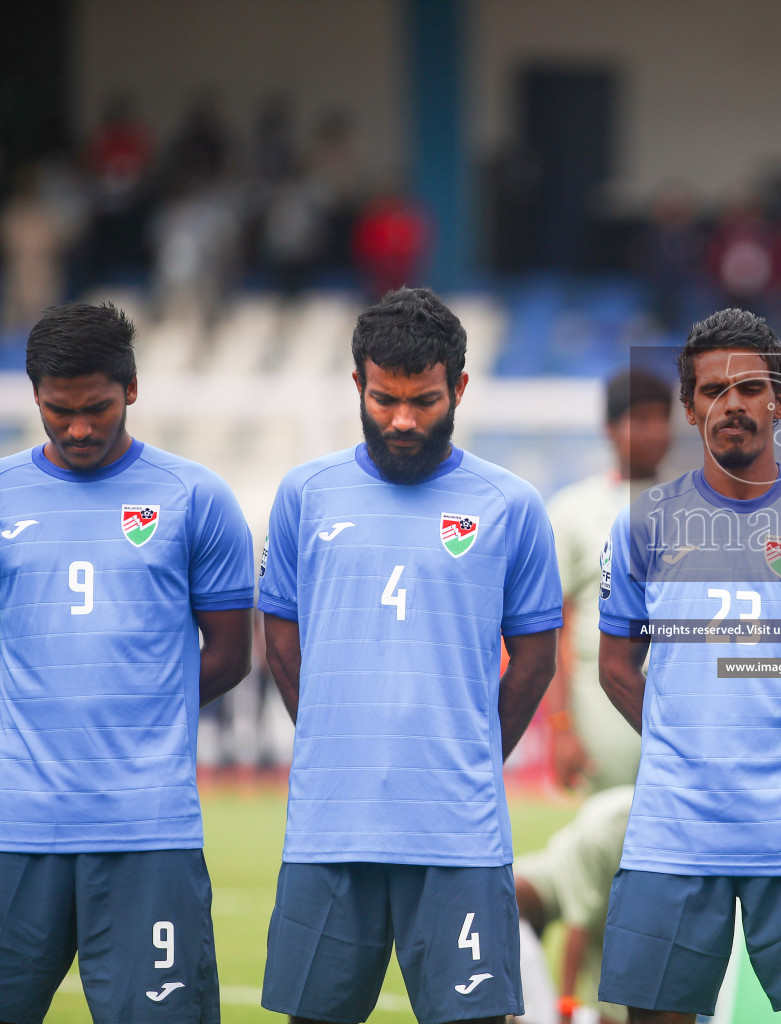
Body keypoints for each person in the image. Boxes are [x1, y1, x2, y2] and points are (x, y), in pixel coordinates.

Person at [257, 287, 562, 1024]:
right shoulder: (305, 495)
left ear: (458, 387)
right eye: (384, 398)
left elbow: (535, 658)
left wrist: (471, 752)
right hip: (331, 826)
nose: (401, 420)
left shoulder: (511, 505)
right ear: (358, 384)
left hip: (458, 832)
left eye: (423, 400)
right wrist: (337, 740)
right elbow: (282, 640)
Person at [596, 308, 781, 1023]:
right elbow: (615, 665)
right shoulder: (643, 523)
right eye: (714, 389)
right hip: (673, 832)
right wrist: (684, 742)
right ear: (691, 407)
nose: (733, 404)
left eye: (751, 388)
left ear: (780, 403)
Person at [0, 302, 254, 1024]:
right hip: (15, 830)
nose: (78, 428)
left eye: (97, 408)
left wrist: (144, 707)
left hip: (148, 832)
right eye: (58, 410)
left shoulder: (196, 498)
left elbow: (231, 654)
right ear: (35, 397)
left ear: (132, 390)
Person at [544, 370, 674, 793]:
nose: (653, 432)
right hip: (600, 714)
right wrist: (562, 729)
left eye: (662, 419)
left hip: (678, 713)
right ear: (610, 430)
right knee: (605, 843)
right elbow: (550, 629)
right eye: (640, 419)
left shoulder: (697, 511)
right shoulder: (572, 510)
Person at [516, 787, 635, 1024]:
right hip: (521, 904)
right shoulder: (607, 831)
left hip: (594, 896)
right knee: (539, 1015)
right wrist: (566, 1007)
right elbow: (578, 928)